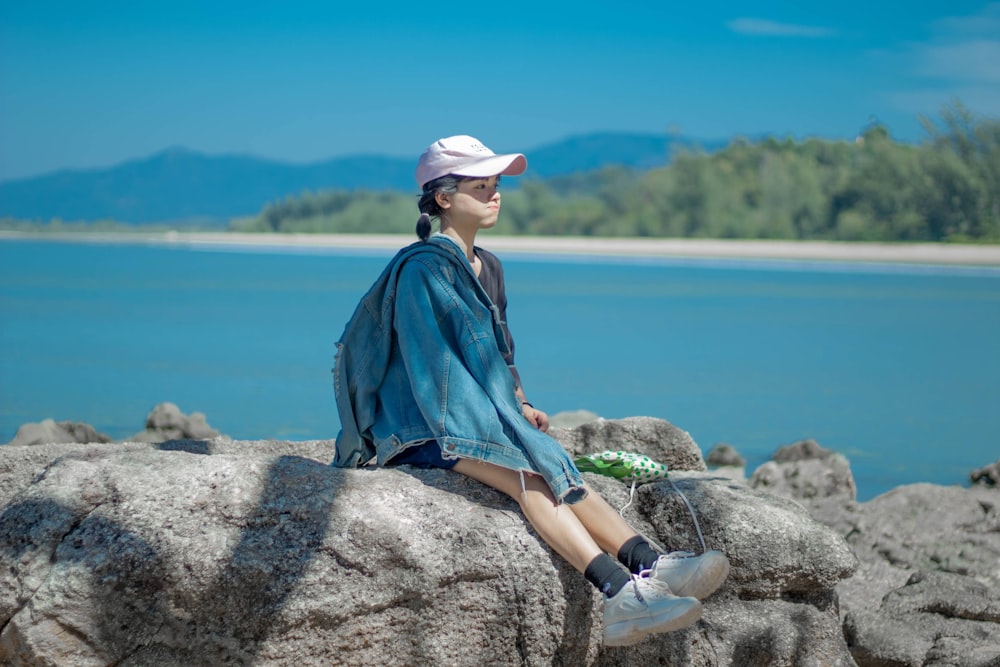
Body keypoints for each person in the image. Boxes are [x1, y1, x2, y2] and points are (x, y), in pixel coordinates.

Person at [332, 135, 729, 647]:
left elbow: (499, 353)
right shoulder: (423, 269)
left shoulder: (488, 266)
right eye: (481, 186)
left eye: (496, 186)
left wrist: (519, 404)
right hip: (421, 425)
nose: (495, 195)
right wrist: (498, 427)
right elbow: (433, 366)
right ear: (444, 198)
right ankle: (617, 597)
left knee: (549, 456)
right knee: (528, 476)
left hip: (468, 409)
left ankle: (650, 563)